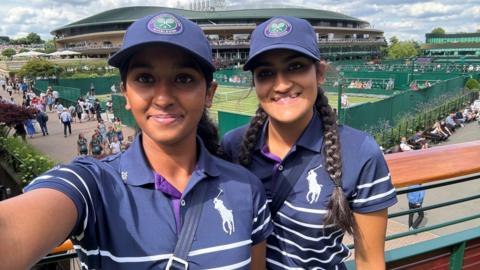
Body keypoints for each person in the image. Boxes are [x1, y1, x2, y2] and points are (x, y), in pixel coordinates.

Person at [0, 12, 272, 269]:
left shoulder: (247, 189)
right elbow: (10, 230)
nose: (163, 98)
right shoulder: (94, 184)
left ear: (209, 93)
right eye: (145, 78)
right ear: (126, 94)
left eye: (183, 78)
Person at [222, 16, 397, 269]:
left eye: (295, 67)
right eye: (266, 73)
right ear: (255, 82)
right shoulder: (233, 145)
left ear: (320, 73)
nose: (281, 84)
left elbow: (370, 262)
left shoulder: (360, 152)